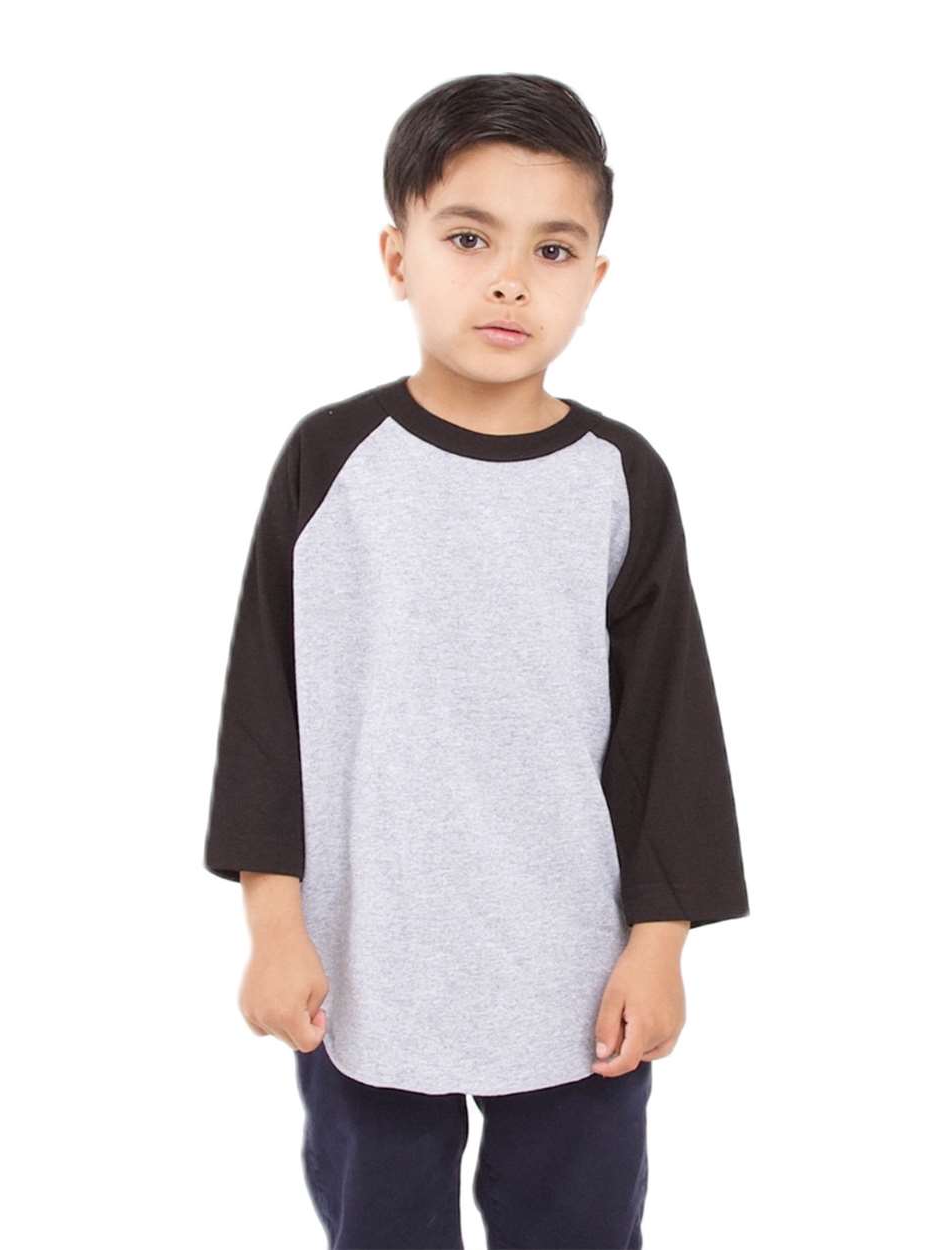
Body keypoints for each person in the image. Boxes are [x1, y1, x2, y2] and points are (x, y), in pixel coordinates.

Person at [204, 71, 750, 1250]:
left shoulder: (618, 479)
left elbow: (667, 724)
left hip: (571, 959)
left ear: (595, 277)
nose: (510, 278)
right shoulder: (331, 461)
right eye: (468, 237)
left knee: (578, 1226)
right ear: (396, 255)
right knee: (380, 1223)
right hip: (367, 953)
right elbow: (266, 705)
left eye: (553, 249)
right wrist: (274, 924)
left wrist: (659, 944)